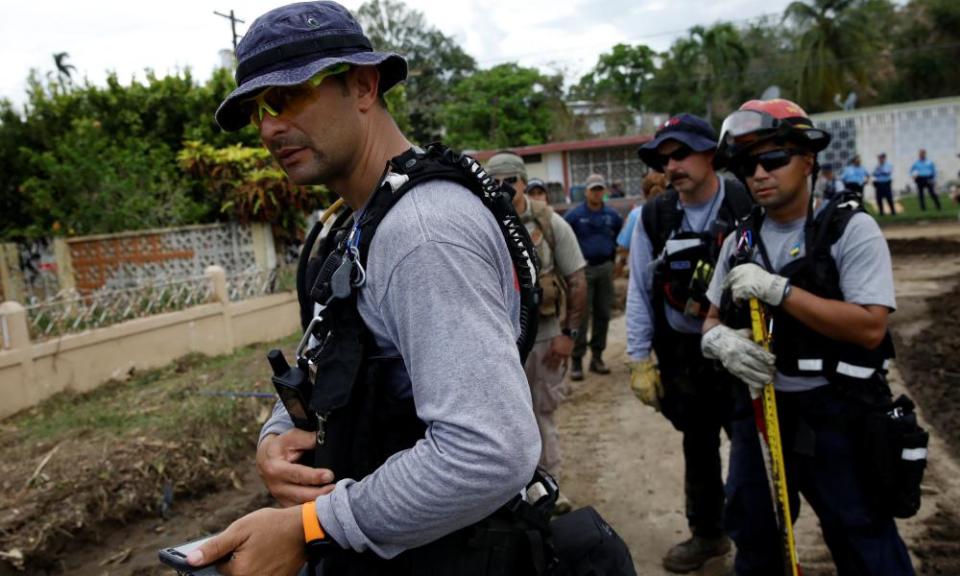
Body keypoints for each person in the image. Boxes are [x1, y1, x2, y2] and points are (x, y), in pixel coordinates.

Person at [186, 3, 546, 574]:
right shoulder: (359, 223)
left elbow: (489, 452)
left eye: (286, 97)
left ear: (362, 85)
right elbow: (328, 355)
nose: (268, 128)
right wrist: (277, 436)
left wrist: (309, 527)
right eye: (257, 111)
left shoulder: (423, 233)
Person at [704, 98, 916, 575]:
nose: (759, 173)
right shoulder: (740, 241)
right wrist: (720, 342)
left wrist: (780, 290)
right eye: (746, 164)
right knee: (754, 534)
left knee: (861, 533)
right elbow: (711, 318)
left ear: (807, 160)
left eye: (773, 159)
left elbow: (869, 326)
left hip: (839, 412)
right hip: (761, 412)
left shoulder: (850, 229)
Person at [632, 114, 754, 573]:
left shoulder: (746, 202)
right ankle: (708, 534)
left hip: (744, 350)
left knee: (751, 450)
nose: (672, 166)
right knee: (698, 446)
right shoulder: (654, 215)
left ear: (710, 155)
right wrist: (638, 358)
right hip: (684, 356)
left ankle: (760, 541)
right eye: (665, 159)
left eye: (681, 153)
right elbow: (641, 293)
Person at [484, 152, 587, 509]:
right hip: (501, 341)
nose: (504, 187)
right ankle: (515, 493)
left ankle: (551, 488)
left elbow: (576, 280)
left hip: (544, 335)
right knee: (505, 420)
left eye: (511, 180)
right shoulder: (485, 220)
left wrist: (568, 336)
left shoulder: (549, 222)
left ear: (524, 181)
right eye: (496, 181)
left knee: (542, 415)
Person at [564, 173, 624, 380]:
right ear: (586, 191)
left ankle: (597, 357)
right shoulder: (574, 216)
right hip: (583, 270)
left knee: (603, 313)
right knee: (580, 316)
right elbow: (564, 238)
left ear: (604, 191)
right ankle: (577, 360)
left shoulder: (612, 215)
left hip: (605, 268)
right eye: (593, 189)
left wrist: (616, 262)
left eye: (600, 189)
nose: (597, 193)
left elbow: (619, 236)